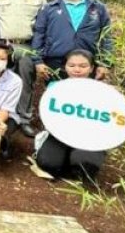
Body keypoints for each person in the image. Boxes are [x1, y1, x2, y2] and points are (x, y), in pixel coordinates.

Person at [0, 0, 47, 136]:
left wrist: (40, 50)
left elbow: (44, 23)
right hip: (1, 45)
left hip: (26, 46)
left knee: (25, 81)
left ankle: (23, 119)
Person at [34, 50, 108, 180]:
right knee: (48, 164)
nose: (77, 70)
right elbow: (48, 116)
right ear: (65, 67)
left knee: (86, 167)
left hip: (88, 137)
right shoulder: (54, 87)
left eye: (83, 66)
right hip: (59, 135)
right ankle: (65, 159)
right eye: (72, 65)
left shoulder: (102, 92)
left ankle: (78, 162)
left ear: (91, 68)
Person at [32, 0, 113, 81]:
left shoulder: (98, 7)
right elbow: (39, 35)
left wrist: (105, 63)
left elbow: (107, 37)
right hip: (55, 63)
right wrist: (38, 61)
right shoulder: (48, 8)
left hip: (87, 64)